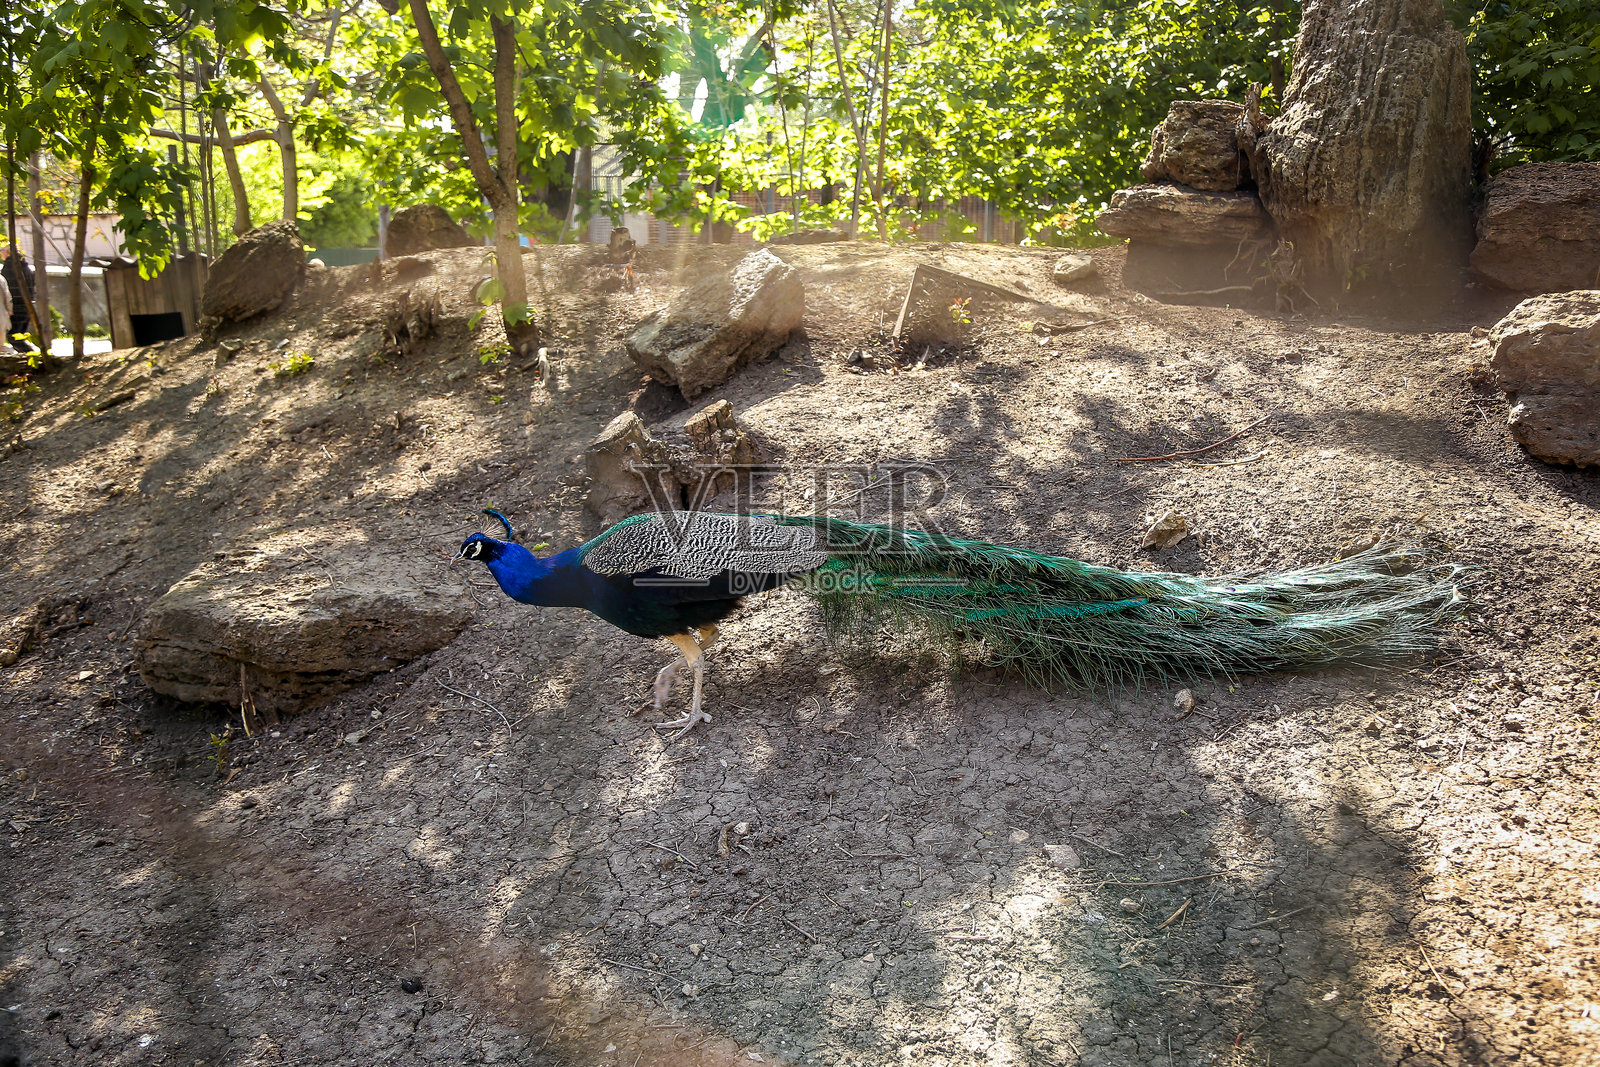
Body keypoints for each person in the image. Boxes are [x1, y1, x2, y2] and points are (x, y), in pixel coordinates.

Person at [1, 246, 35, 353]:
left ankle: (32, 356)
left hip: (16, 308)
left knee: (13, 337)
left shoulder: (9, 267)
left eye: (1, 251)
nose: (1, 254)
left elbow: (9, 291)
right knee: (18, 337)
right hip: (27, 307)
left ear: (7, 252)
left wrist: (9, 309)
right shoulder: (26, 267)